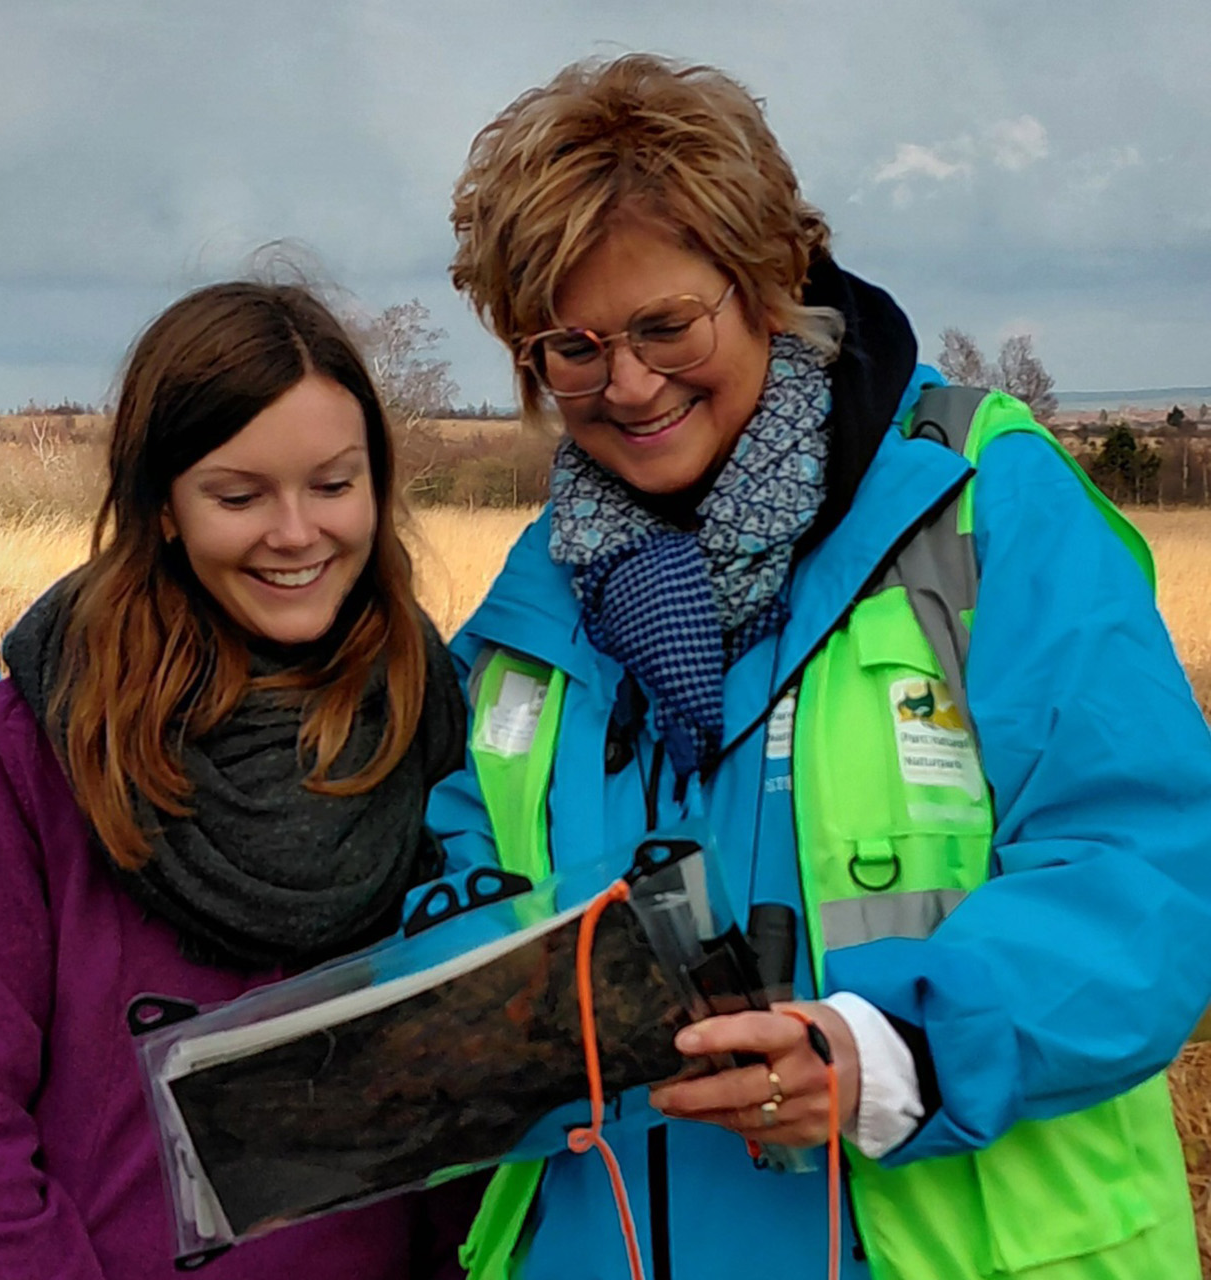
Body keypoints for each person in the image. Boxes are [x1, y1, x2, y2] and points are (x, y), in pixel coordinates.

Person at [429, 55, 1211, 1279]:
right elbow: (462, 869)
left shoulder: (979, 505)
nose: (627, 384)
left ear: (771, 280)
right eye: (570, 347)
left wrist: (885, 1046)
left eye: (664, 325)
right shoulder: (535, 597)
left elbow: (1146, 872)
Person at [0, 280, 475, 1278]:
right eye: (239, 495)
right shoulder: (31, 744)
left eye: (333, 484)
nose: (296, 533)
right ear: (161, 505)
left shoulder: (435, 718)